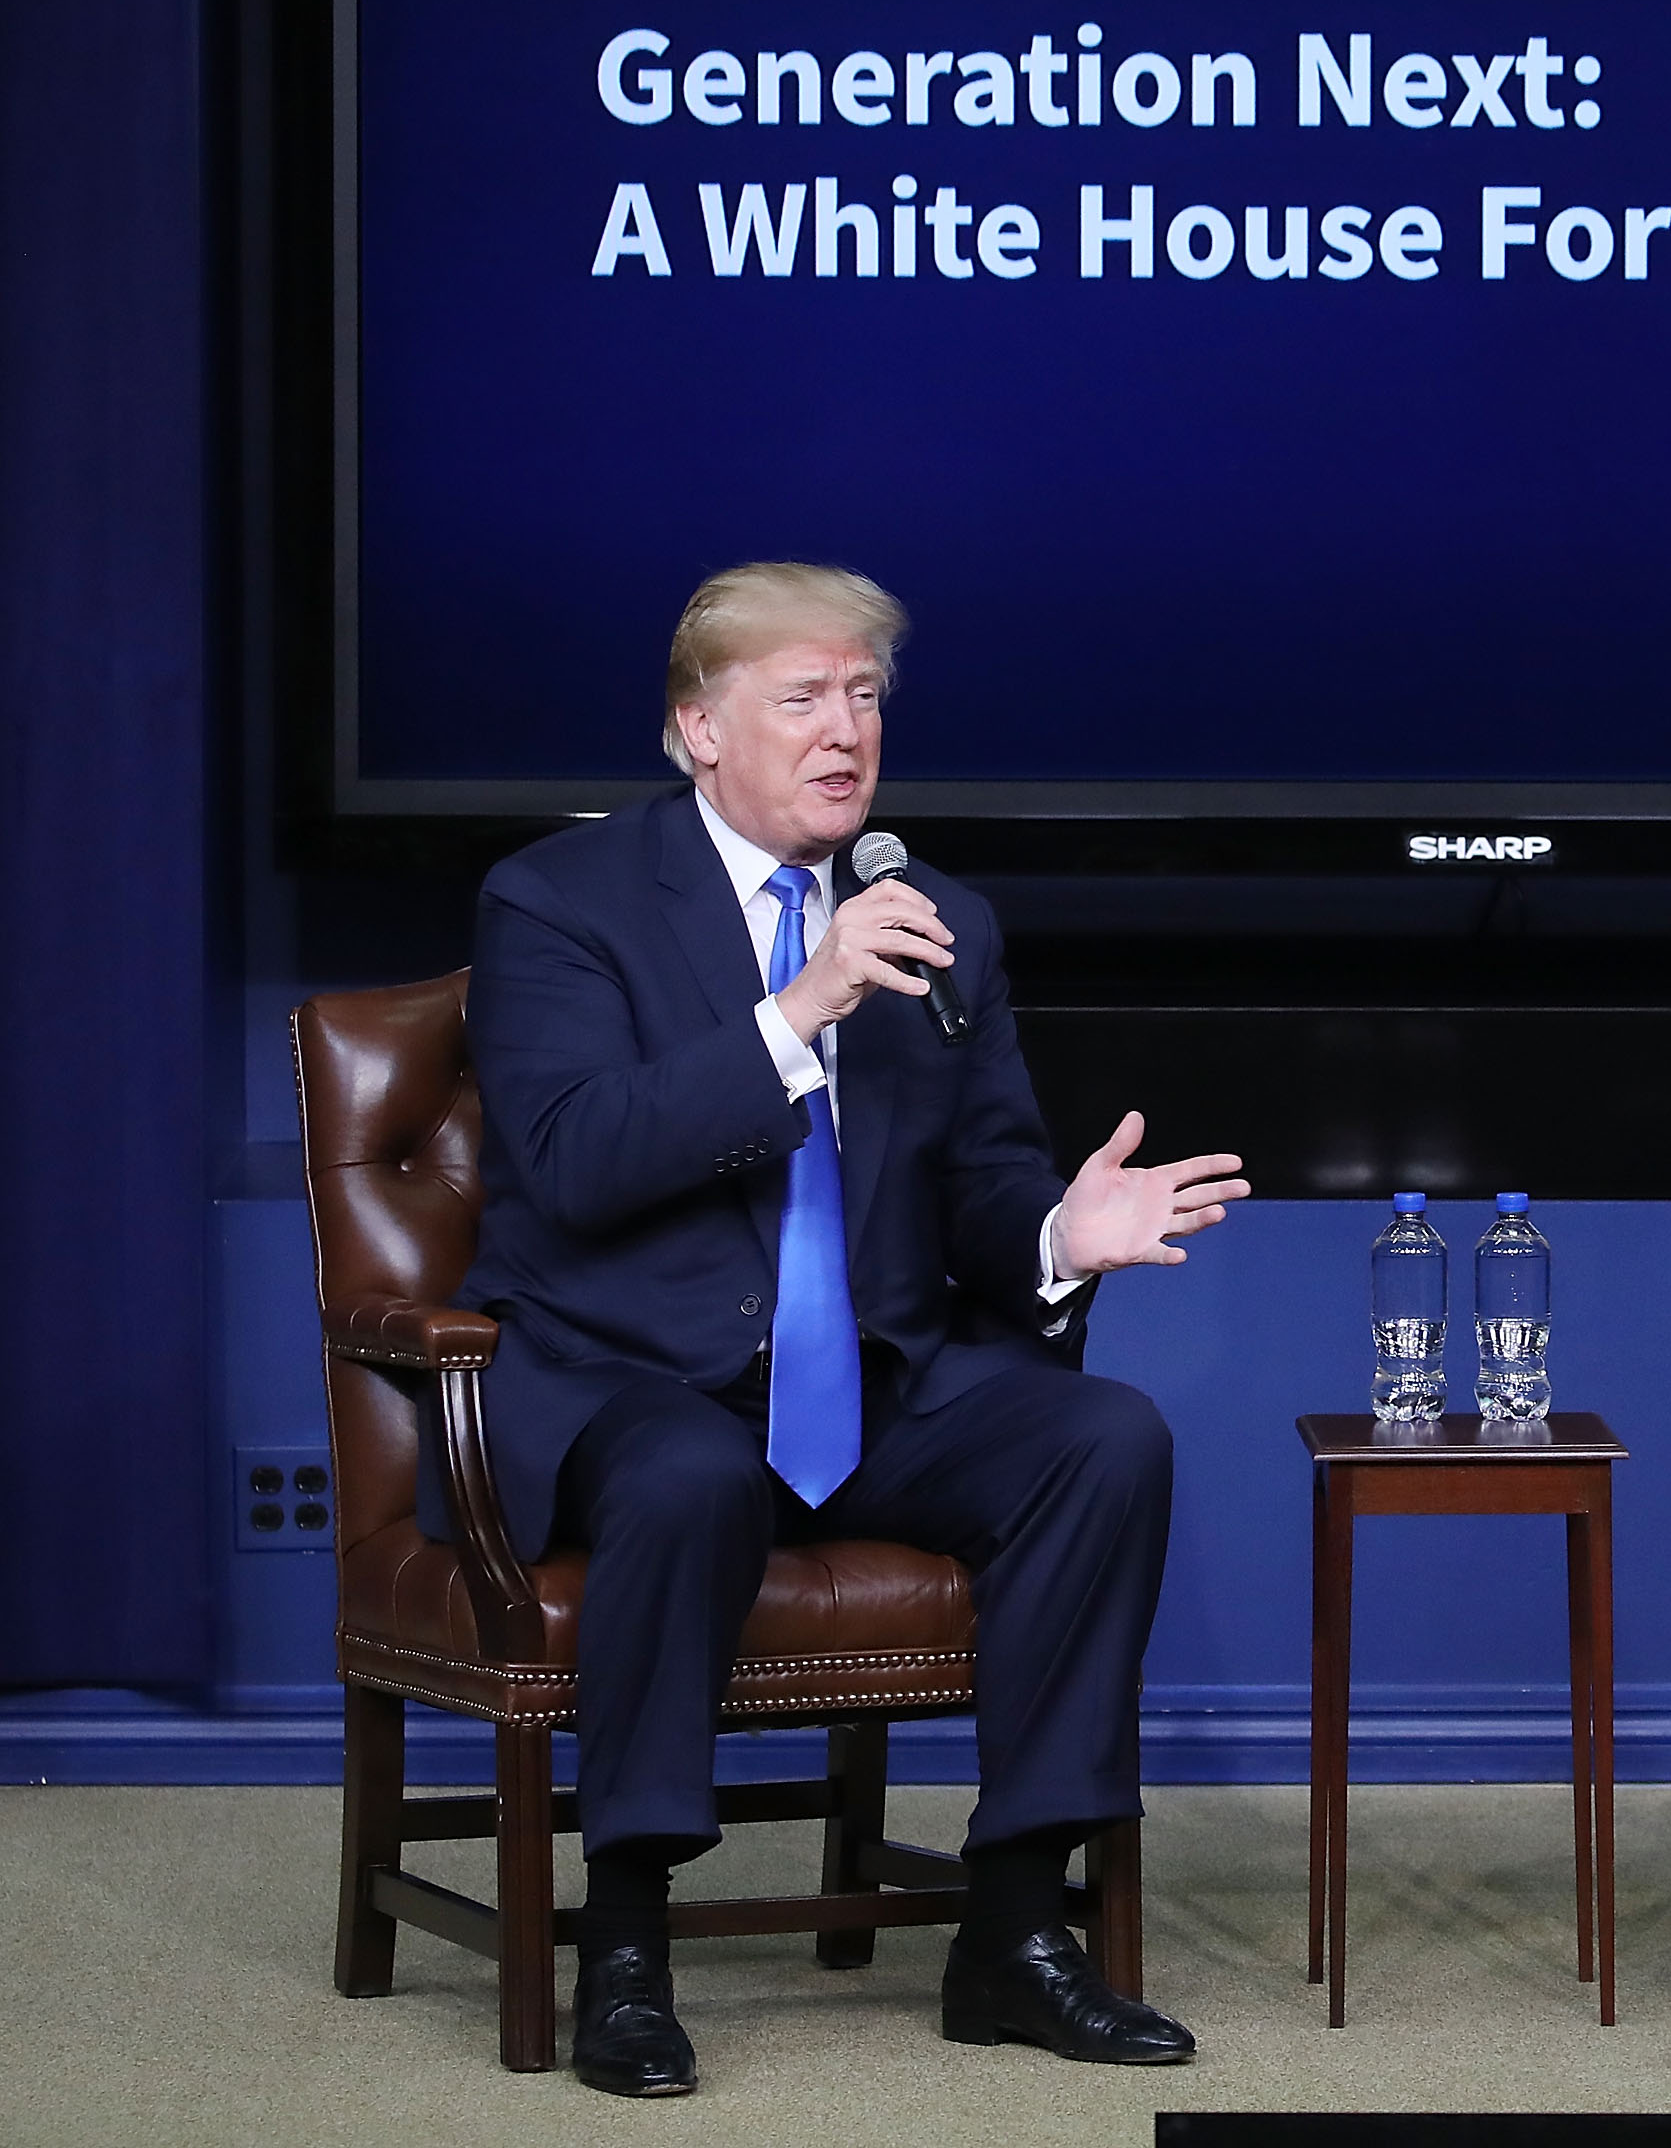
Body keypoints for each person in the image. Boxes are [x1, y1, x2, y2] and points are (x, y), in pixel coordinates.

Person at [452, 562, 1250, 2096]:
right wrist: (795, 1011)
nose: (847, 731)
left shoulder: (942, 920)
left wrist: (1056, 1237)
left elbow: (985, 1176)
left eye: (867, 697)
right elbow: (574, 1158)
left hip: (869, 1384)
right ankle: (626, 1945)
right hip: (635, 1379)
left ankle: (1014, 1929)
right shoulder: (559, 900)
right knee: (685, 1471)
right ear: (699, 728)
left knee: (1101, 1440)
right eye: (805, 697)